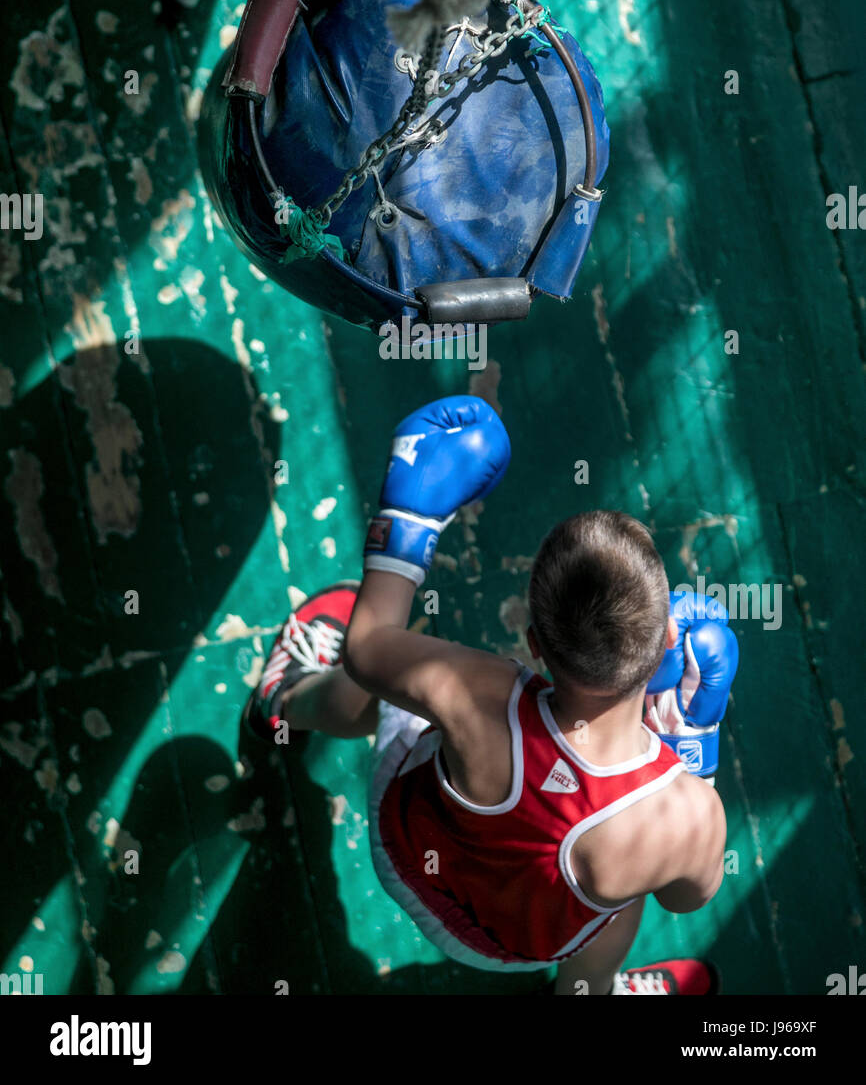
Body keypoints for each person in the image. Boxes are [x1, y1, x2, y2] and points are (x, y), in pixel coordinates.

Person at [244, 396, 738, 995]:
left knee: (398, 690)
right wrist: (694, 752)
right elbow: (689, 897)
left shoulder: (484, 695)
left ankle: (283, 701)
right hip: (527, 946)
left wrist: (408, 523)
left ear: (533, 644)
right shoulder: (685, 814)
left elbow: (369, 649)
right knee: (619, 903)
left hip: (412, 868)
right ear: (667, 641)